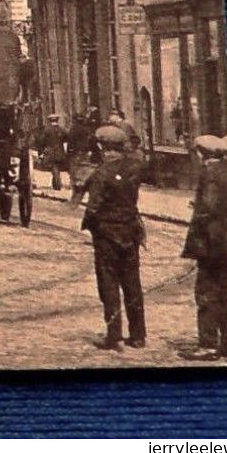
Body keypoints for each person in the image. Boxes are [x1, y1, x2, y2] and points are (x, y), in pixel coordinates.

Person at [74, 124, 147, 350]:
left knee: (109, 285)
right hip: (130, 231)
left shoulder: (101, 173)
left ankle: (114, 335)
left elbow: (93, 207)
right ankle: (138, 335)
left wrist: (91, 226)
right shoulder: (134, 168)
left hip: (107, 236)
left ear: (103, 147)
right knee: (132, 283)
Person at [180, 135, 227, 360]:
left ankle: (208, 344)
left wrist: (197, 242)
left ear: (200, 153)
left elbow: (209, 209)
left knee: (206, 294)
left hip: (212, 245)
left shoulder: (209, 174)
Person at [37, 115, 70, 192]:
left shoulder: (46, 130)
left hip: (50, 151)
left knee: (54, 167)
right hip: (60, 151)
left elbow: (41, 141)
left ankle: (57, 182)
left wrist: (41, 152)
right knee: (57, 166)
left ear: (50, 121)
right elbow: (68, 138)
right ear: (57, 121)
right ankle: (57, 182)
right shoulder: (62, 129)